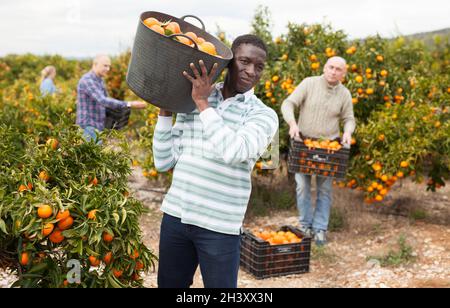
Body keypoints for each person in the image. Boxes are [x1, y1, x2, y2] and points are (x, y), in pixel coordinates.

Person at [153, 34, 279, 288]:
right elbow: (163, 161)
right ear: (229, 61)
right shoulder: (196, 98)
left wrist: (202, 104)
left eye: (259, 67)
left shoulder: (263, 115)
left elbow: (235, 151)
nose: (251, 71)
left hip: (220, 226)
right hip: (177, 216)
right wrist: (165, 111)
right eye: (244, 62)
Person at [281, 56, 356, 246]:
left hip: (329, 148)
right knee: (302, 186)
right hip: (304, 144)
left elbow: (349, 118)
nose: (333, 71)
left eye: (338, 69)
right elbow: (288, 103)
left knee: (324, 189)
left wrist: (348, 131)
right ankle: (305, 225)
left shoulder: (344, 94)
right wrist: (292, 123)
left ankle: (320, 228)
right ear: (324, 67)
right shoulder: (309, 84)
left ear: (343, 73)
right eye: (331, 67)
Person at [76, 54, 146, 142]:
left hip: (98, 126)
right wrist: (129, 104)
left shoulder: (100, 80)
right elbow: (103, 100)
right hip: (88, 126)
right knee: (91, 154)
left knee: (97, 154)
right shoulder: (87, 80)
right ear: (95, 64)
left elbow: (106, 100)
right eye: (105, 66)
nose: (108, 69)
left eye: (109, 66)